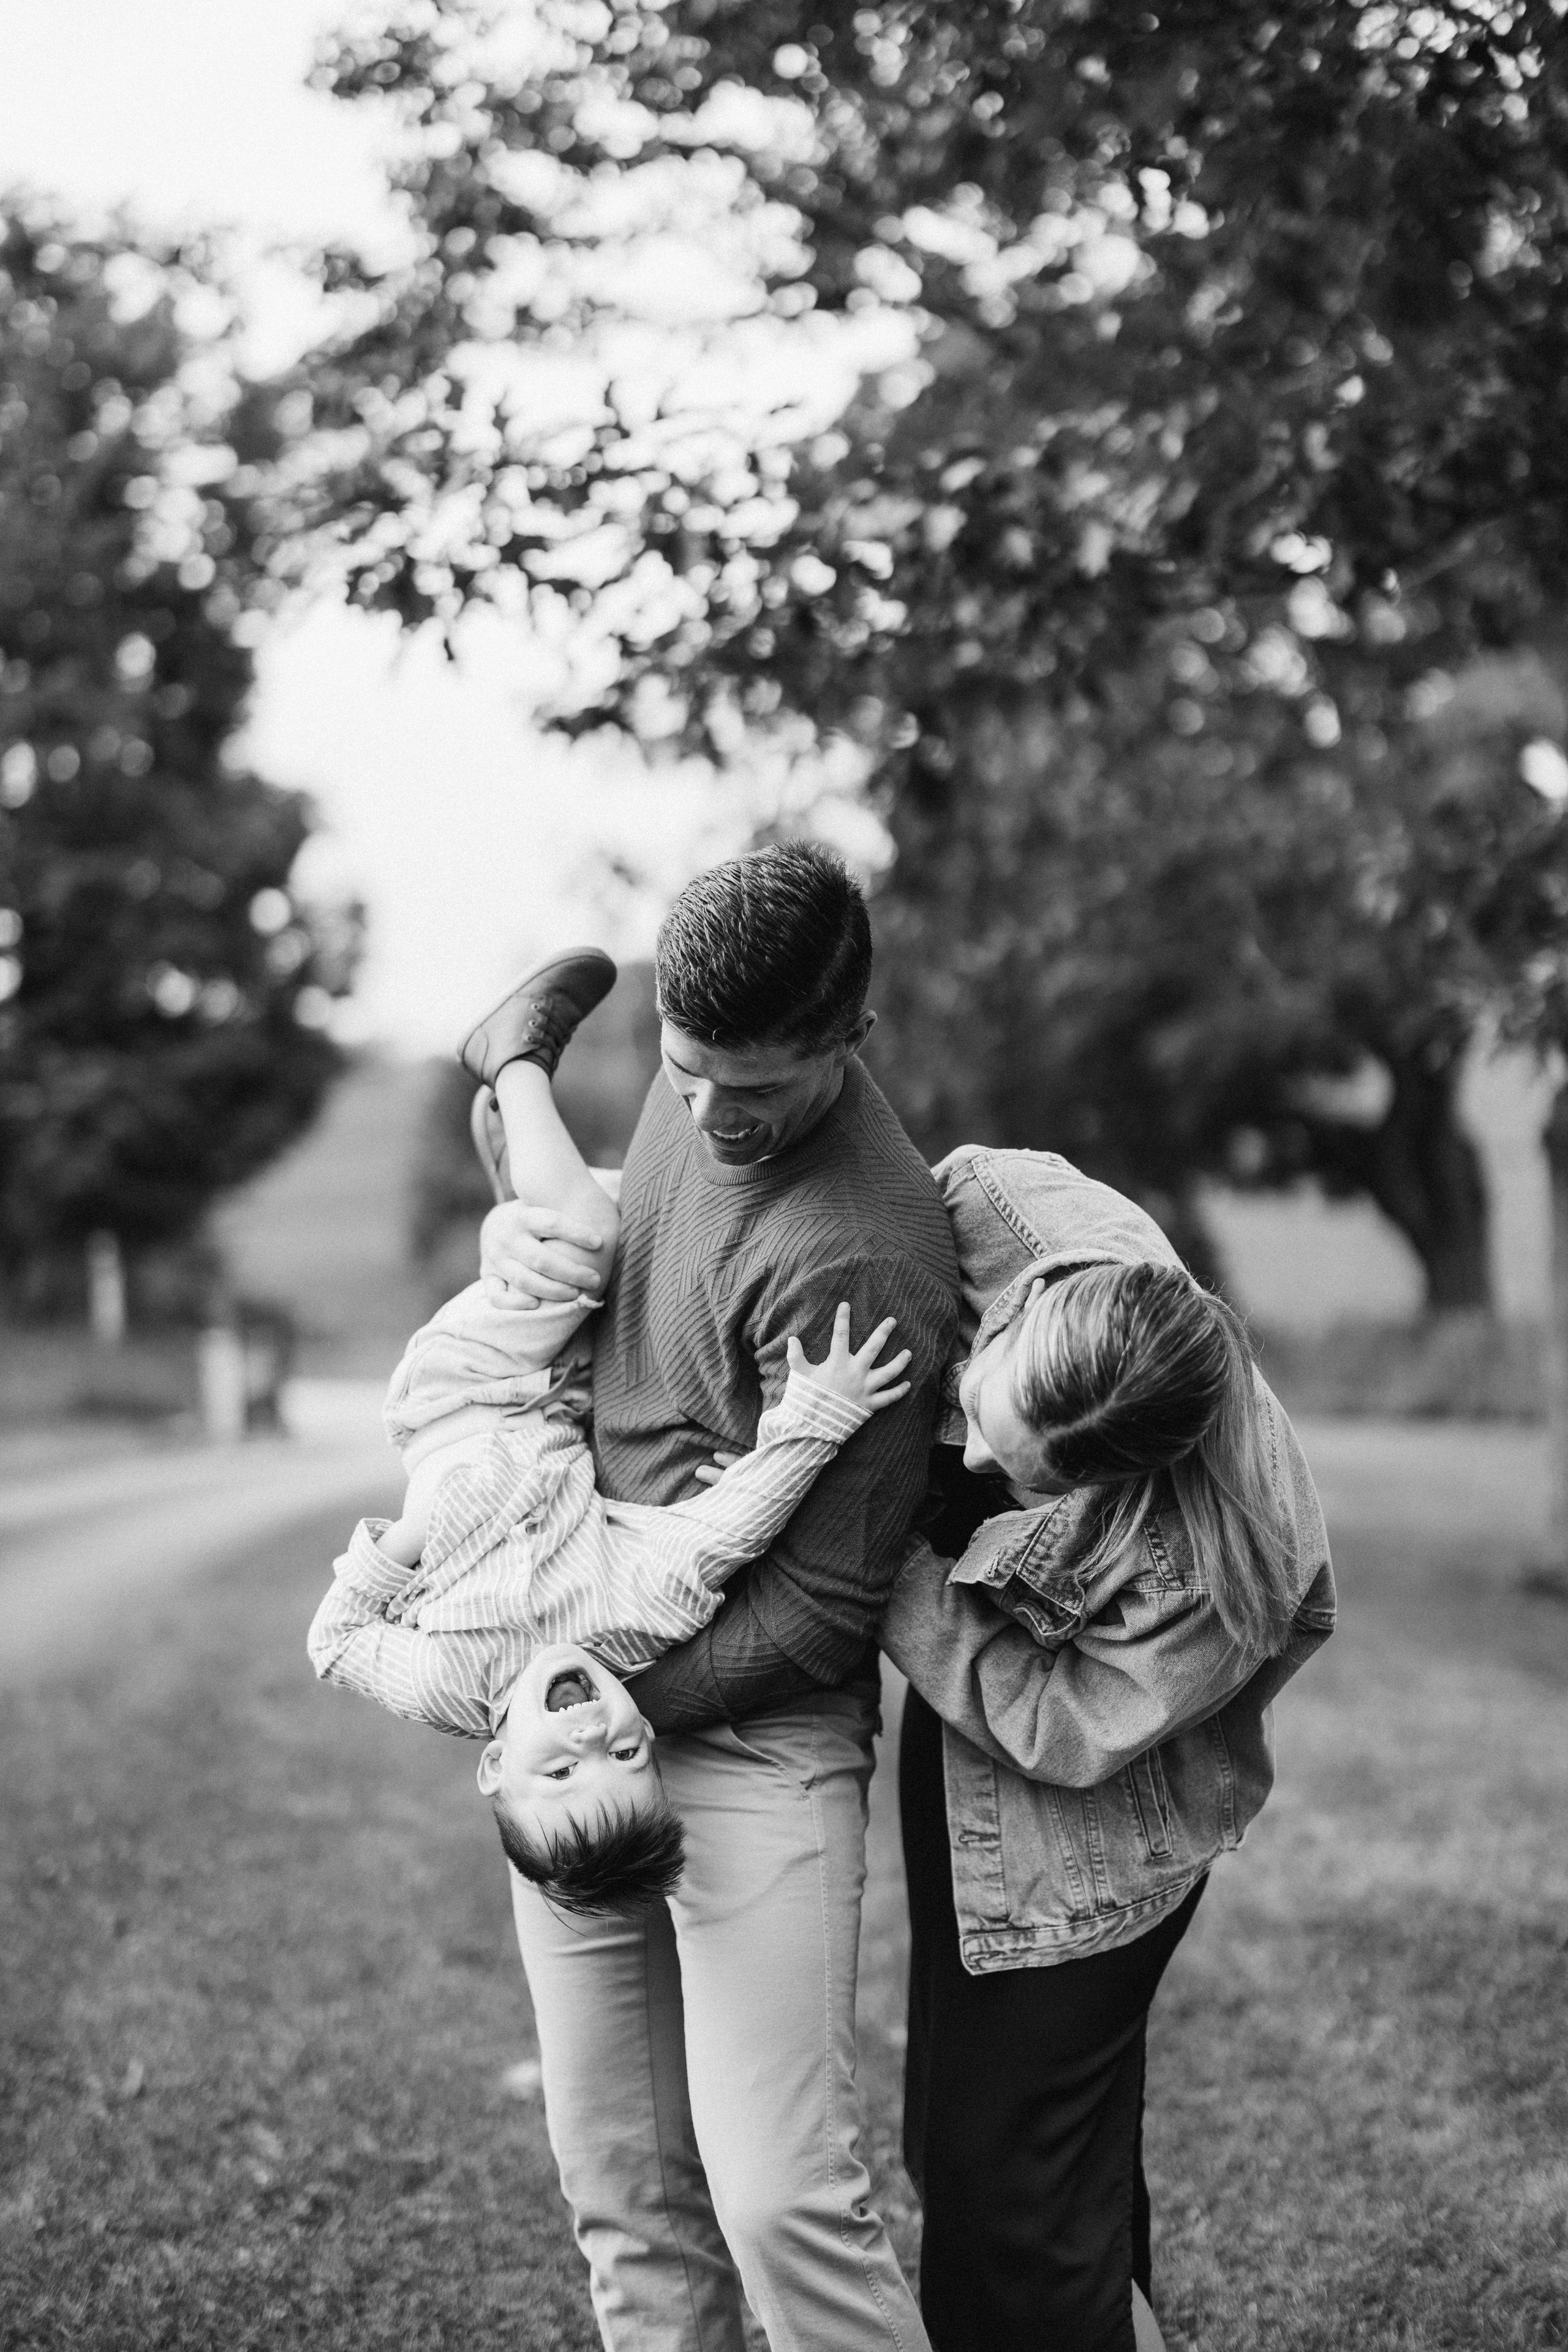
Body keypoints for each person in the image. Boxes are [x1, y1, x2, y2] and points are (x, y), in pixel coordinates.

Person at [477, 844, 960, 2352]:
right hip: (594, 1688)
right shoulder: (701, 1069)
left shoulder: (862, 1253)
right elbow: (626, 1291)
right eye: (682, 1073)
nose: (703, 1116)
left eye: (748, 1091)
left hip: (754, 1734)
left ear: (847, 1039)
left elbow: (818, 1615)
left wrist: (586, 1691)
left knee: (776, 2202)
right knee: (623, 2188)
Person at [307, 951, 914, 1917]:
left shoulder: (447, 1683)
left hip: (463, 1394)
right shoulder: (638, 1619)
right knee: (627, 1241)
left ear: (495, 1766)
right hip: (562, 1396)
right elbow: (726, 1531)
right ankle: (522, 1176)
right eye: (628, 1754)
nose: (590, 1736)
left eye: (560, 1773)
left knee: (585, 1237)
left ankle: (512, 1062)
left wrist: (405, 1543)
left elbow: (334, 1642)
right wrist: (821, 1413)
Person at [878, 1145, 1336, 2352]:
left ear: (1124, 1479)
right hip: (962, 1766)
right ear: (1027, 1315)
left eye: (1018, 1477)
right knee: (985, 2161)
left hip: (1094, 1841)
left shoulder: (1220, 1563)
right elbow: (853, 1217)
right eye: (986, 1416)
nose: (975, 1463)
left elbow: (1059, 1725)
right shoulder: (1002, 1210)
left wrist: (883, 1568)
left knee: (1013, 2208)